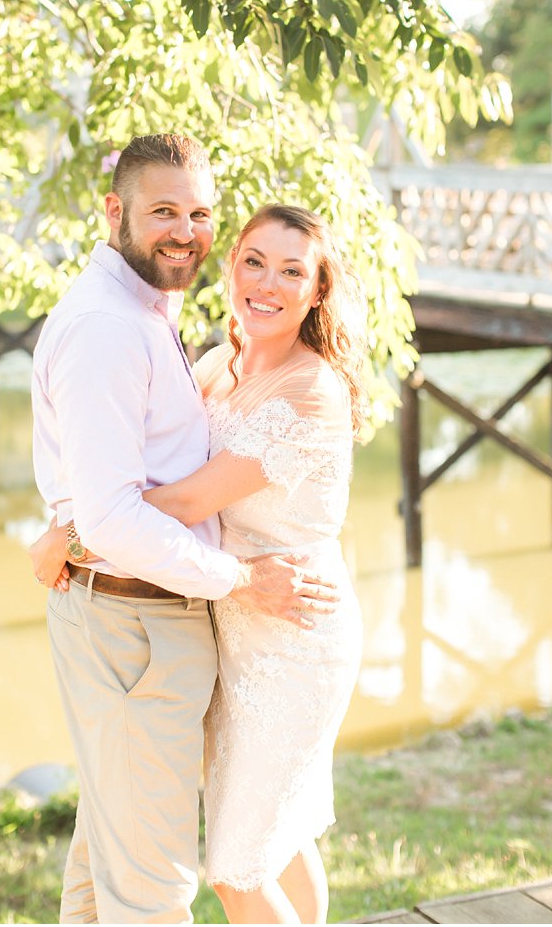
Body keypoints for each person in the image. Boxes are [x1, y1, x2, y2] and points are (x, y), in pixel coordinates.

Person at [28, 134, 341, 923]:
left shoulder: (160, 320)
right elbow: (122, 507)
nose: (184, 230)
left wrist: (69, 531)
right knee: (155, 882)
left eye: (199, 213)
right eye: (164, 210)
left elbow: (153, 498)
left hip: (260, 625)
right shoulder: (124, 330)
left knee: (131, 858)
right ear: (115, 212)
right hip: (149, 614)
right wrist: (75, 528)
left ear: (317, 291)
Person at [136, 204, 365, 924]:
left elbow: (187, 498)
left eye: (292, 270)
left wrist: (85, 516)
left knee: (236, 866)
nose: (267, 282)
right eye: (254, 261)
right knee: (279, 836)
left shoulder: (311, 391)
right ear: (231, 265)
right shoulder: (217, 364)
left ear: (316, 291)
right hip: (236, 624)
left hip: (296, 635)